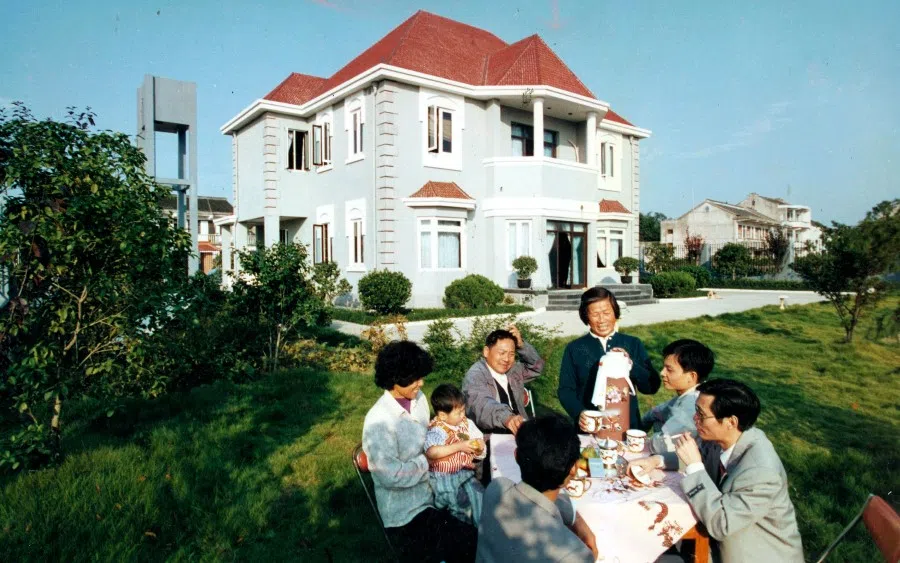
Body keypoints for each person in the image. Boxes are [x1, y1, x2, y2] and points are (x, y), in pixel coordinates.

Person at [628, 379, 804, 563]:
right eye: (696, 411)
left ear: (731, 422)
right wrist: (657, 460)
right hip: (713, 545)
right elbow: (696, 457)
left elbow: (722, 524)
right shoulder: (722, 438)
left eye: (701, 415)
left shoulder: (761, 472)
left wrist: (695, 468)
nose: (695, 419)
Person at [361, 341, 477, 563]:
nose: (421, 383)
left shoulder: (419, 399)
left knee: (483, 518)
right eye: (414, 379)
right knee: (469, 542)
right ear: (395, 379)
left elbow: (434, 433)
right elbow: (389, 476)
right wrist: (427, 462)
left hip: (433, 491)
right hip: (406, 513)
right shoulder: (378, 421)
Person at [476, 414, 598, 563]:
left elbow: (537, 496)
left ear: (516, 456)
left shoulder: (496, 488)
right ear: (574, 469)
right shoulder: (574, 554)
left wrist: (577, 520)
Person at [558, 287, 660, 432]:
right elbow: (566, 390)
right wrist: (579, 413)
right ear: (586, 316)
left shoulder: (632, 343)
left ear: (615, 313)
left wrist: (630, 364)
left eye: (606, 313)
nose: (601, 320)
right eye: (595, 314)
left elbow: (651, 386)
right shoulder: (575, 348)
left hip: (627, 426)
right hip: (591, 427)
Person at [641, 339, 715, 461]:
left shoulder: (693, 404)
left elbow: (661, 445)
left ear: (692, 376)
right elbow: (655, 412)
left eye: (669, 370)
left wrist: (638, 438)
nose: (662, 373)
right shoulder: (692, 393)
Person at [463, 324, 544, 435]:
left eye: (511, 354)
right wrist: (506, 418)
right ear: (486, 352)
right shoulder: (475, 375)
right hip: (490, 438)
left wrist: (522, 345)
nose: (506, 359)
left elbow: (536, 367)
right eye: (502, 353)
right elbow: (481, 404)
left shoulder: (513, 370)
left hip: (520, 433)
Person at [425, 384, 486, 526]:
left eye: (463, 410)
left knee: (480, 495)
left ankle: (480, 529)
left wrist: (479, 447)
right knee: (461, 504)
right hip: (444, 477)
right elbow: (431, 452)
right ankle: (463, 532)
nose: (463, 415)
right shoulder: (437, 429)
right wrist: (459, 446)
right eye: (458, 413)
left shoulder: (465, 423)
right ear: (442, 415)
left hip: (464, 473)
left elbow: (478, 439)